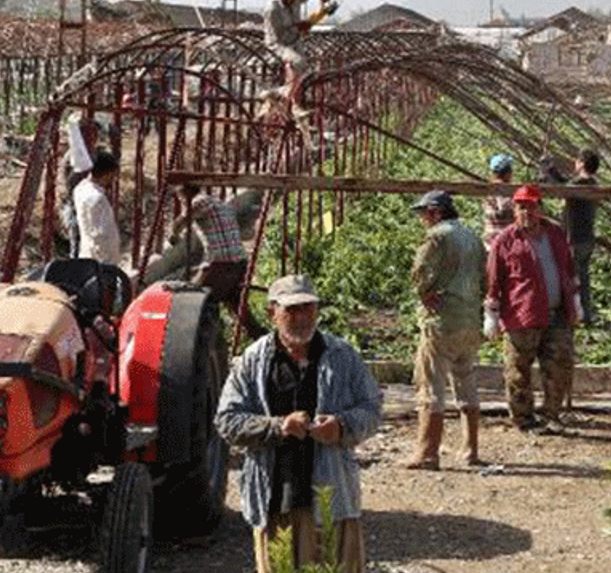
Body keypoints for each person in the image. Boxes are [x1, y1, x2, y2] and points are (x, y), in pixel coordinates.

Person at [215, 274, 381, 573]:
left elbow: (372, 409)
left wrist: (341, 427)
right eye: (292, 310)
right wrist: (278, 427)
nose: (302, 317)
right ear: (272, 313)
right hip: (274, 501)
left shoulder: (341, 356)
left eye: (308, 308)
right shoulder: (253, 361)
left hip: (333, 498)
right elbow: (227, 421)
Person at [484, 184, 579, 434]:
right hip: (521, 315)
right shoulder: (504, 241)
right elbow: (494, 280)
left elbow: (569, 269)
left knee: (559, 367)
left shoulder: (556, 234)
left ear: (540, 208)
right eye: (521, 207)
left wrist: (576, 301)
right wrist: (491, 314)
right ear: (515, 209)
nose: (526, 212)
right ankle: (523, 419)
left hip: (557, 313)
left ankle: (551, 416)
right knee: (518, 371)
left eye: (530, 206)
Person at [405, 190, 488, 470]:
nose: (422, 220)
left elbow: (420, 270)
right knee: (466, 381)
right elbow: (485, 277)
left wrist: (424, 293)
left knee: (431, 385)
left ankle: (427, 453)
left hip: (442, 321)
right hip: (469, 320)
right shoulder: (473, 237)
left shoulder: (437, 237)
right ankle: (470, 450)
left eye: (424, 214)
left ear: (435, 212)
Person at [171, 183, 265, 338]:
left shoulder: (199, 202)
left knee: (194, 302)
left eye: (180, 199)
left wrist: (173, 235)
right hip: (239, 263)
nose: (181, 202)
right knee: (239, 309)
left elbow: (181, 222)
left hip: (221, 263)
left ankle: (200, 344)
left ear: (185, 195)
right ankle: (264, 339)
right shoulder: (219, 203)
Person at [264, 0, 335, 103]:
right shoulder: (273, 9)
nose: (294, 1)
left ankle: (293, 97)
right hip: (279, 43)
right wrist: (298, 27)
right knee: (297, 61)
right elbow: (277, 34)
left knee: (302, 68)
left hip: (295, 39)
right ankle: (283, 94)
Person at [564, 149, 600, 326]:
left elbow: (563, 190)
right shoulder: (594, 183)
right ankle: (586, 314)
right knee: (584, 278)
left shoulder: (578, 185)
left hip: (574, 238)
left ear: (582, 163)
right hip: (588, 238)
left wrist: (548, 171)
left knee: (572, 278)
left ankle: (574, 314)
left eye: (577, 161)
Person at [73, 150, 121, 266]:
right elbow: (101, 235)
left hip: (86, 252)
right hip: (101, 261)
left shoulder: (80, 188)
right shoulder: (97, 198)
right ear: (108, 173)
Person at [481, 153, 516, 246]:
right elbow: (503, 208)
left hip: (490, 241)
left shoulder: (489, 190)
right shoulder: (503, 190)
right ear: (508, 173)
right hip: (503, 244)